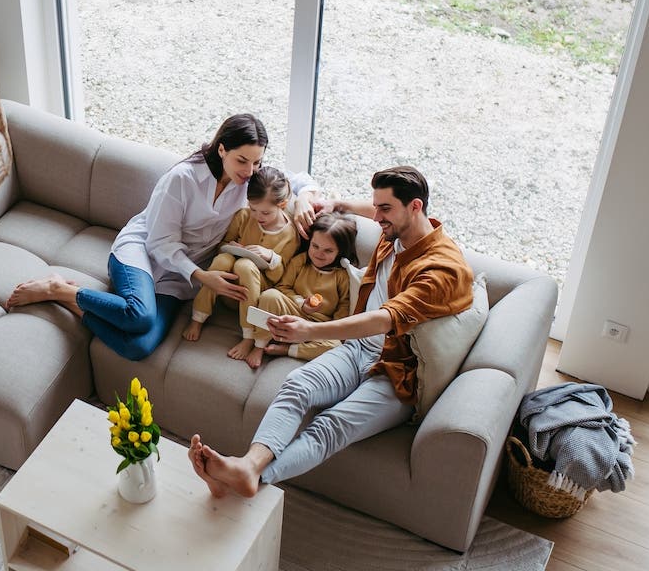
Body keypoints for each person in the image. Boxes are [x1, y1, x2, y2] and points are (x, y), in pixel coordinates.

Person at [187, 166, 473, 498]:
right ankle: (247, 466)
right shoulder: (399, 229)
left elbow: (385, 319)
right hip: (358, 350)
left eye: (385, 209)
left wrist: (310, 330)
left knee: (330, 426)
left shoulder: (442, 269)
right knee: (296, 385)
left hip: (396, 373)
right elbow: (374, 211)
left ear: (416, 207)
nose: (377, 217)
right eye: (375, 206)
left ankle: (253, 477)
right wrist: (339, 205)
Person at [6, 114, 317, 361]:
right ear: (222, 149)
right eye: (242, 161)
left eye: (257, 162)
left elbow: (299, 180)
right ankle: (58, 288)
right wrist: (204, 277)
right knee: (139, 316)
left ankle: (69, 299)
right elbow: (159, 243)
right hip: (142, 253)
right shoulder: (182, 179)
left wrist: (304, 198)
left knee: (138, 347)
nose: (251, 170)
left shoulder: (248, 183)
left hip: (179, 278)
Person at [183, 166, 299, 370]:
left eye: (265, 212)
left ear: (282, 205)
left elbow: (281, 280)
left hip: (254, 297)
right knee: (222, 260)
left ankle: (249, 337)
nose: (257, 216)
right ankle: (198, 317)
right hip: (227, 289)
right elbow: (222, 245)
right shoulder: (244, 216)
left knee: (245, 265)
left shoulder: (290, 235)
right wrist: (233, 247)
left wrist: (271, 257)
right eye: (253, 209)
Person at [256, 212, 358, 363]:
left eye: (328, 251)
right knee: (270, 295)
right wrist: (301, 303)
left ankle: (288, 349)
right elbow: (283, 287)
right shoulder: (300, 261)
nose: (318, 254)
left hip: (316, 327)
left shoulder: (342, 276)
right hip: (293, 312)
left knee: (335, 345)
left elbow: (343, 309)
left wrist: (331, 330)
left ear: (340, 251)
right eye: (315, 246)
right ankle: (259, 345)